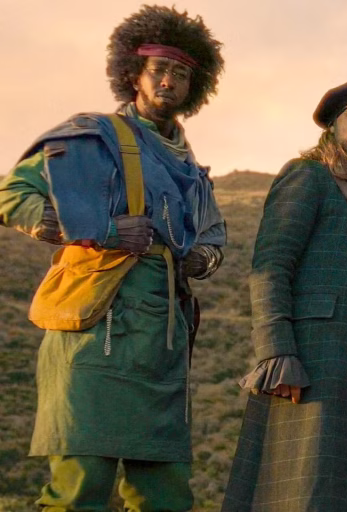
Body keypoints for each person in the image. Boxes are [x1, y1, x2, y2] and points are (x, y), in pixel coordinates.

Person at [0, 5, 226, 510]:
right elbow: (12, 195)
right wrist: (101, 231)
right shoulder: (91, 137)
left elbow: (214, 239)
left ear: (195, 86)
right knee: (80, 489)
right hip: (93, 337)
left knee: (166, 497)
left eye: (181, 74)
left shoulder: (192, 170)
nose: (169, 81)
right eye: (159, 69)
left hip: (163, 346)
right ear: (133, 74)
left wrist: (202, 259)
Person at [222, 76, 347, 511]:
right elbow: (271, 266)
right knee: (305, 496)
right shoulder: (307, 177)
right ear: (334, 126)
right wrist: (277, 353)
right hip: (315, 363)